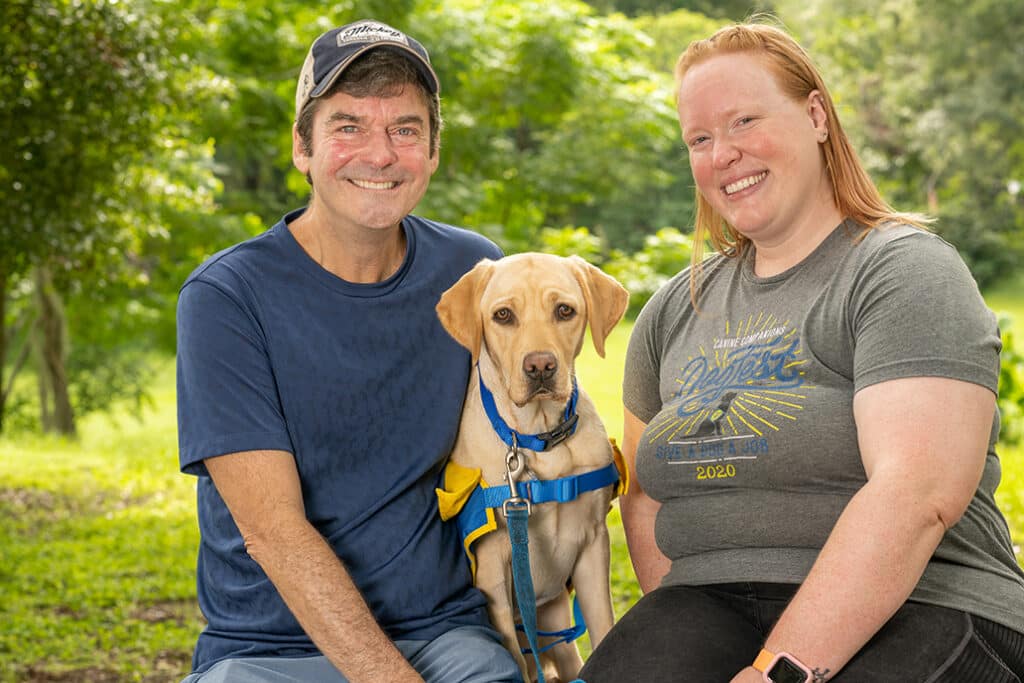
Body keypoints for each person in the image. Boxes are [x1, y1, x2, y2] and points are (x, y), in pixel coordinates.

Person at [579, 21, 1024, 683]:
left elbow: (918, 493)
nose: (721, 153)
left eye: (743, 121)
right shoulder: (673, 309)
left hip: (927, 600)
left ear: (816, 115)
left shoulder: (902, 271)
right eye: (699, 138)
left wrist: (774, 671)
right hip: (709, 600)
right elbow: (642, 498)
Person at [175, 19, 522, 683]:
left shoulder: (475, 271)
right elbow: (273, 528)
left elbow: (520, 441)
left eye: (405, 128)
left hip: (445, 635)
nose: (381, 153)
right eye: (348, 126)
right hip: (269, 651)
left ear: (432, 150)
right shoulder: (226, 297)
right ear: (303, 147)